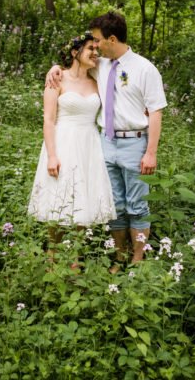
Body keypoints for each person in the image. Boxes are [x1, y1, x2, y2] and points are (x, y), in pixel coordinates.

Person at [47, 12, 167, 272]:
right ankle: (120, 256)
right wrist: (54, 68)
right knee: (114, 203)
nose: (96, 46)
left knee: (137, 204)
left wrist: (151, 152)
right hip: (105, 142)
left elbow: (156, 111)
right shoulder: (100, 65)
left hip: (135, 142)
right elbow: (74, 63)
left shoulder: (145, 68)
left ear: (112, 39)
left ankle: (137, 261)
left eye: (99, 40)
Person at [28, 31, 116, 257]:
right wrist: (52, 155)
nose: (95, 53)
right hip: (63, 142)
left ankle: (75, 259)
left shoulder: (97, 82)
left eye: (97, 50)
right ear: (75, 52)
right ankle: (53, 257)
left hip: (89, 144)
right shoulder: (57, 79)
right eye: (90, 49)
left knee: (83, 200)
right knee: (59, 198)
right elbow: (48, 120)